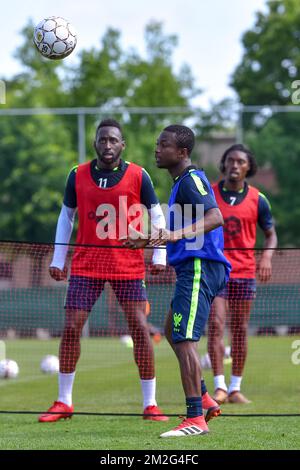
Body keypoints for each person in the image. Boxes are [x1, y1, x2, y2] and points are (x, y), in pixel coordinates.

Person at [39, 118, 168, 423]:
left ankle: (150, 404)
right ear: (95, 143)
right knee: (72, 327)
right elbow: (65, 218)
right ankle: (64, 401)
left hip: (128, 263)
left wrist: (159, 255)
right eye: (103, 140)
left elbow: (157, 216)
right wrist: (59, 259)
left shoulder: (139, 175)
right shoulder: (77, 175)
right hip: (87, 264)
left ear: (122, 145)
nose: (108, 145)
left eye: (113, 140)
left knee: (139, 328)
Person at [124, 124, 231, 438]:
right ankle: (207, 399)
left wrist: (170, 235)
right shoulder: (180, 184)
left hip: (200, 267)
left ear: (182, 152)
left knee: (184, 338)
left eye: (164, 145)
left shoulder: (192, 180)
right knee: (172, 331)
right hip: (191, 268)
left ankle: (194, 418)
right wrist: (150, 240)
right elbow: (181, 233)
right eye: (157, 144)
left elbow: (215, 217)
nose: (157, 149)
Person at [208, 144, 278, 404]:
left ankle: (235, 388)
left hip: (245, 272)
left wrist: (267, 257)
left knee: (239, 330)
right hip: (216, 270)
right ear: (224, 164)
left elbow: (271, 235)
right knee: (215, 325)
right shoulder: (210, 194)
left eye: (241, 162)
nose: (235, 165)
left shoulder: (258, 199)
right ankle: (220, 387)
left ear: (249, 167)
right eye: (231, 160)